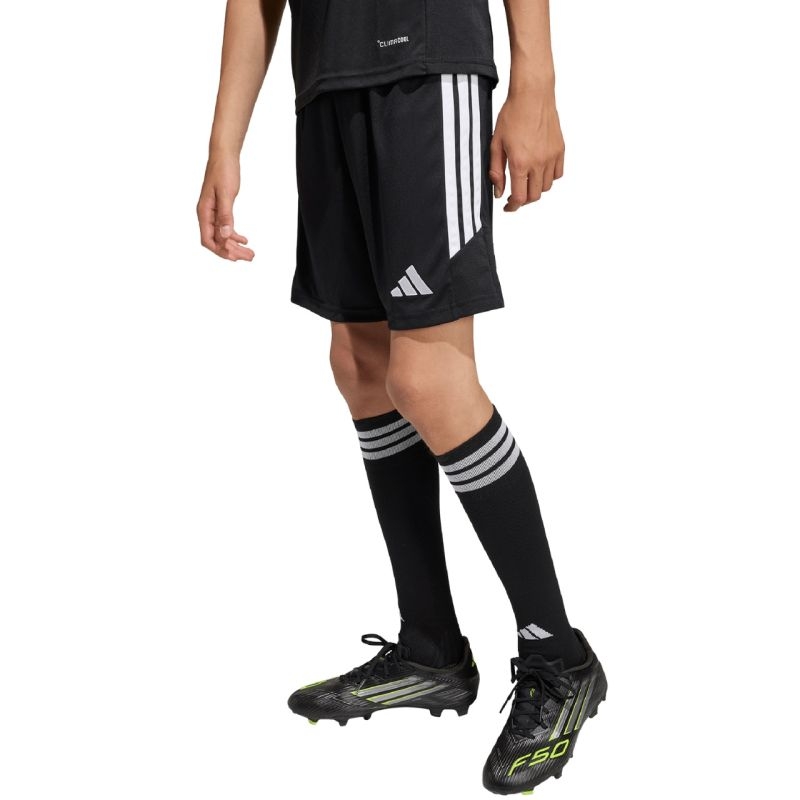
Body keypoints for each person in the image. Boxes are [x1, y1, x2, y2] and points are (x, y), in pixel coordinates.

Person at [197, 0, 606, 793]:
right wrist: (224, 142)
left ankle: (559, 658)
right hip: (325, 82)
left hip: (425, 63)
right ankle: (430, 648)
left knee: (428, 378)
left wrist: (537, 80)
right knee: (360, 365)